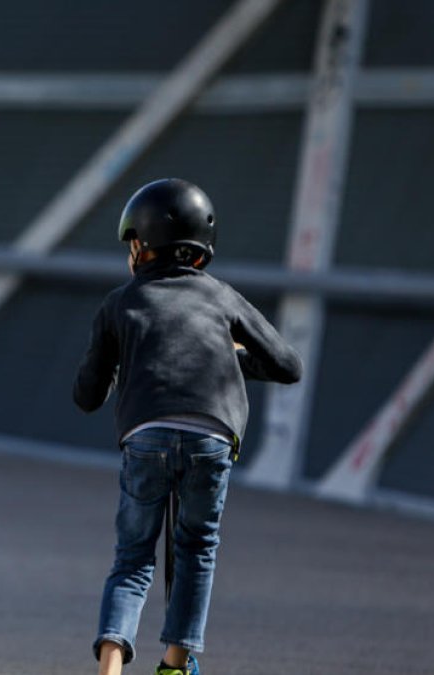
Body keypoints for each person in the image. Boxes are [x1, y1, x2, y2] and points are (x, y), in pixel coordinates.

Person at [73, 178, 302, 675]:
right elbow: (288, 365)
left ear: (140, 247)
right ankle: (175, 665)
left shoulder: (119, 303)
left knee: (133, 556)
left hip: (147, 435)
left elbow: (86, 397)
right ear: (201, 251)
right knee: (196, 548)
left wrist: (122, 361)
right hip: (212, 436)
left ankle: (109, 669)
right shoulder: (222, 297)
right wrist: (225, 355)